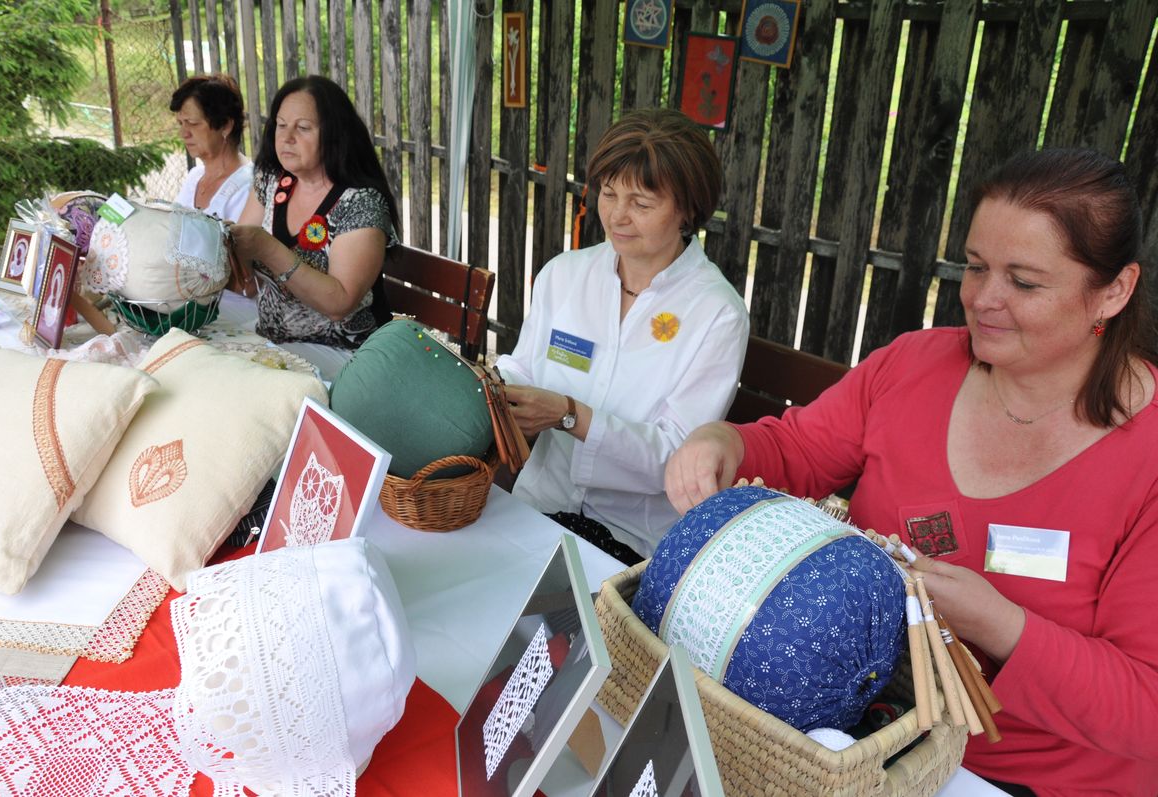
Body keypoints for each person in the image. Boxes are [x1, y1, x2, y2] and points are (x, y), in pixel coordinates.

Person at [664, 148, 1158, 796]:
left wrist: (997, 623)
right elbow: (798, 450)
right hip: (864, 740)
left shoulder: (1146, 457)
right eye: (975, 266)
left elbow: (1145, 707)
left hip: (1017, 778)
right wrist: (723, 440)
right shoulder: (916, 364)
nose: (983, 299)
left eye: (1024, 282)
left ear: (1115, 290)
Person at [496, 108, 749, 564]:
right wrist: (494, 384)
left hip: (632, 544)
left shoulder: (716, 313)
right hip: (536, 509)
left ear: (688, 210)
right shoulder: (565, 275)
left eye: (642, 204)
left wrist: (570, 416)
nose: (617, 216)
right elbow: (526, 367)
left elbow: (674, 455)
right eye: (609, 194)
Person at [227, 75, 400, 349]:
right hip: (274, 341)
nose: (287, 138)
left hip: (346, 352)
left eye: (303, 127)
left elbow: (339, 304)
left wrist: (266, 247)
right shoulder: (271, 181)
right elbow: (242, 272)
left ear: (335, 134)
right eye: (281, 125)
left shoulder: (361, 203)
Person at [169, 74, 253, 221]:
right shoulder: (194, 178)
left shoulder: (249, 188)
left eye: (193, 123)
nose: (183, 133)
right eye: (180, 123)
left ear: (225, 125)